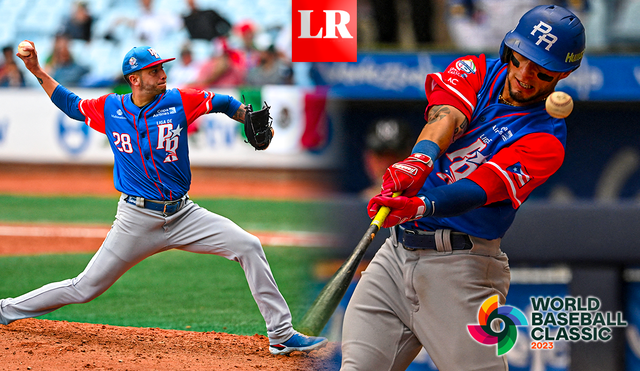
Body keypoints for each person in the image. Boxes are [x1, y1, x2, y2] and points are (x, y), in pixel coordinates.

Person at [1, 41, 328, 356]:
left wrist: (245, 116)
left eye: (161, 68)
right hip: (136, 220)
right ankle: (5, 310)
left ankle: (281, 335)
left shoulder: (177, 101)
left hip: (184, 215)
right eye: (154, 70)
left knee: (248, 246)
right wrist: (36, 70)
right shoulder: (111, 109)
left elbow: (222, 103)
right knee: (85, 287)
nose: (162, 74)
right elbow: (72, 105)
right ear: (135, 79)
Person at [340, 5, 585, 370]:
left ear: (561, 75)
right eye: (522, 59)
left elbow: (479, 188)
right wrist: (419, 160)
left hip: (462, 268)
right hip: (394, 258)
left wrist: (422, 204)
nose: (525, 75)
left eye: (542, 71)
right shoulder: (476, 69)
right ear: (510, 49)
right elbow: (447, 116)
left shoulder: (546, 138)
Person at [360, 118, 414, 200]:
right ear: (368, 158)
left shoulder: (431, 204)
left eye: (395, 155)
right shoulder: (350, 208)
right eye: (380, 155)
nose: (387, 163)